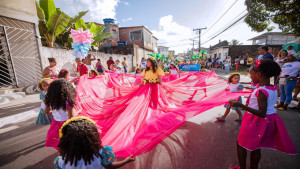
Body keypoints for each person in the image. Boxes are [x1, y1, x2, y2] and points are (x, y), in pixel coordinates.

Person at [229, 60, 297, 169]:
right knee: (256, 146)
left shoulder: (261, 91)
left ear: (259, 74)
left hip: (255, 121)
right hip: (267, 121)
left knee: (241, 144)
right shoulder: (272, 87)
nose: (250, 78)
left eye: (251, 75)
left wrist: (240, 105)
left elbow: (262, 113)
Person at [53, 116, 135, 169]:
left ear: (65, 141)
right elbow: (109, 166)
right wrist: (125, 161)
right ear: (93, 137)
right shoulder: (102, 153)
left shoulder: (61, 161)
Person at [45, 79, 76, 150]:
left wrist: (56, 113)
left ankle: (62, 157)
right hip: (66, 125)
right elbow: (71, 117)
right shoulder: (68, 101)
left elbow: (47, 111)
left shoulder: (50, 100)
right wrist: (78, 112)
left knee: (59, 143)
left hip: (55, 124)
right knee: (68, 142)